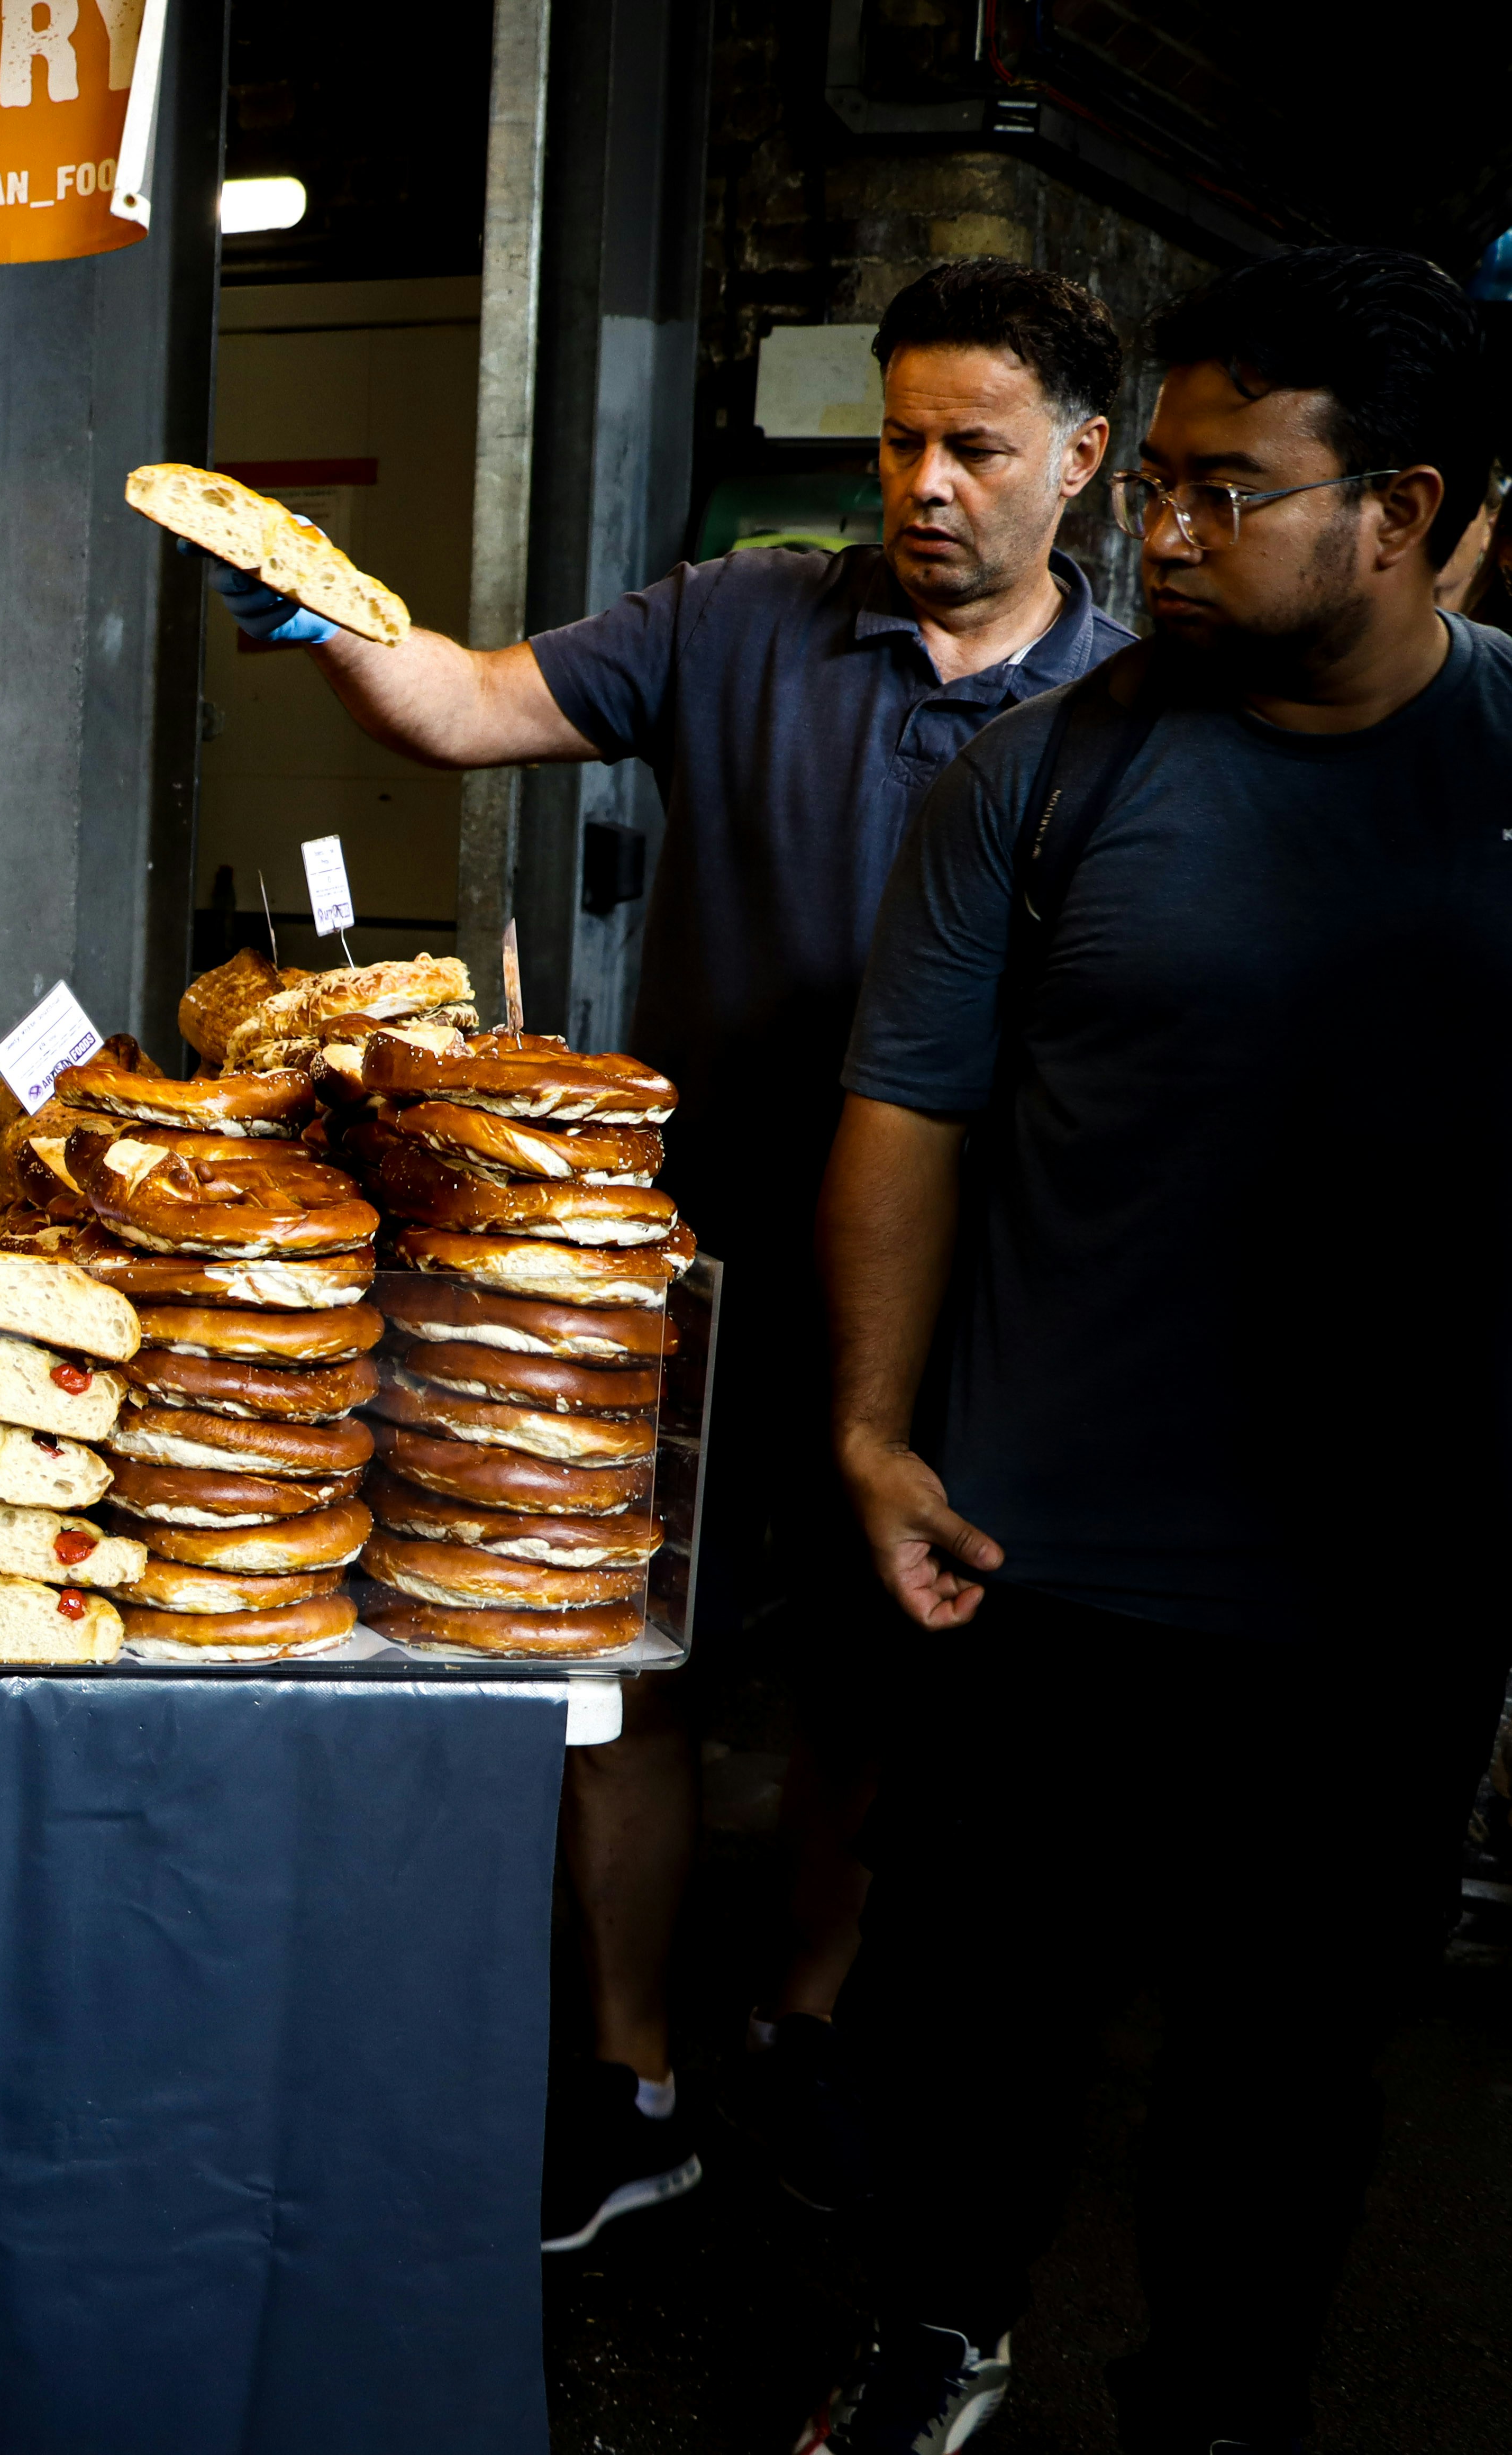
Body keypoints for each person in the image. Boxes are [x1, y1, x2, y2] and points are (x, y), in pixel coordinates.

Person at [199, 261, 1130, 2250]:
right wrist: (339, 625)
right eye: (899, 439)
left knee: (882, 1697)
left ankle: (799, 2039)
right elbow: (468, 704)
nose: (929, 482)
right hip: (672, 1271)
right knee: (627, 1669)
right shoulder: (740, 622)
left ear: (1083, 458)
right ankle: (633, 2080)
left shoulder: (1135, 711)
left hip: (970, 1297)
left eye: (976, 446)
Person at [808, 244, 1512, 2454]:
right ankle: (931, 2327)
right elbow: (906, 1107)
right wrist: (868, 1427)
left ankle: (1221, 2403)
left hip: (1380, 1590)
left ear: (1395, 509)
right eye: (1162, 486)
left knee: (1288, 2075)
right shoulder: (1040, 781)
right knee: (964, 2031)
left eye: (1225, 488)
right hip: (1045, 1559)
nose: (1162, 533)